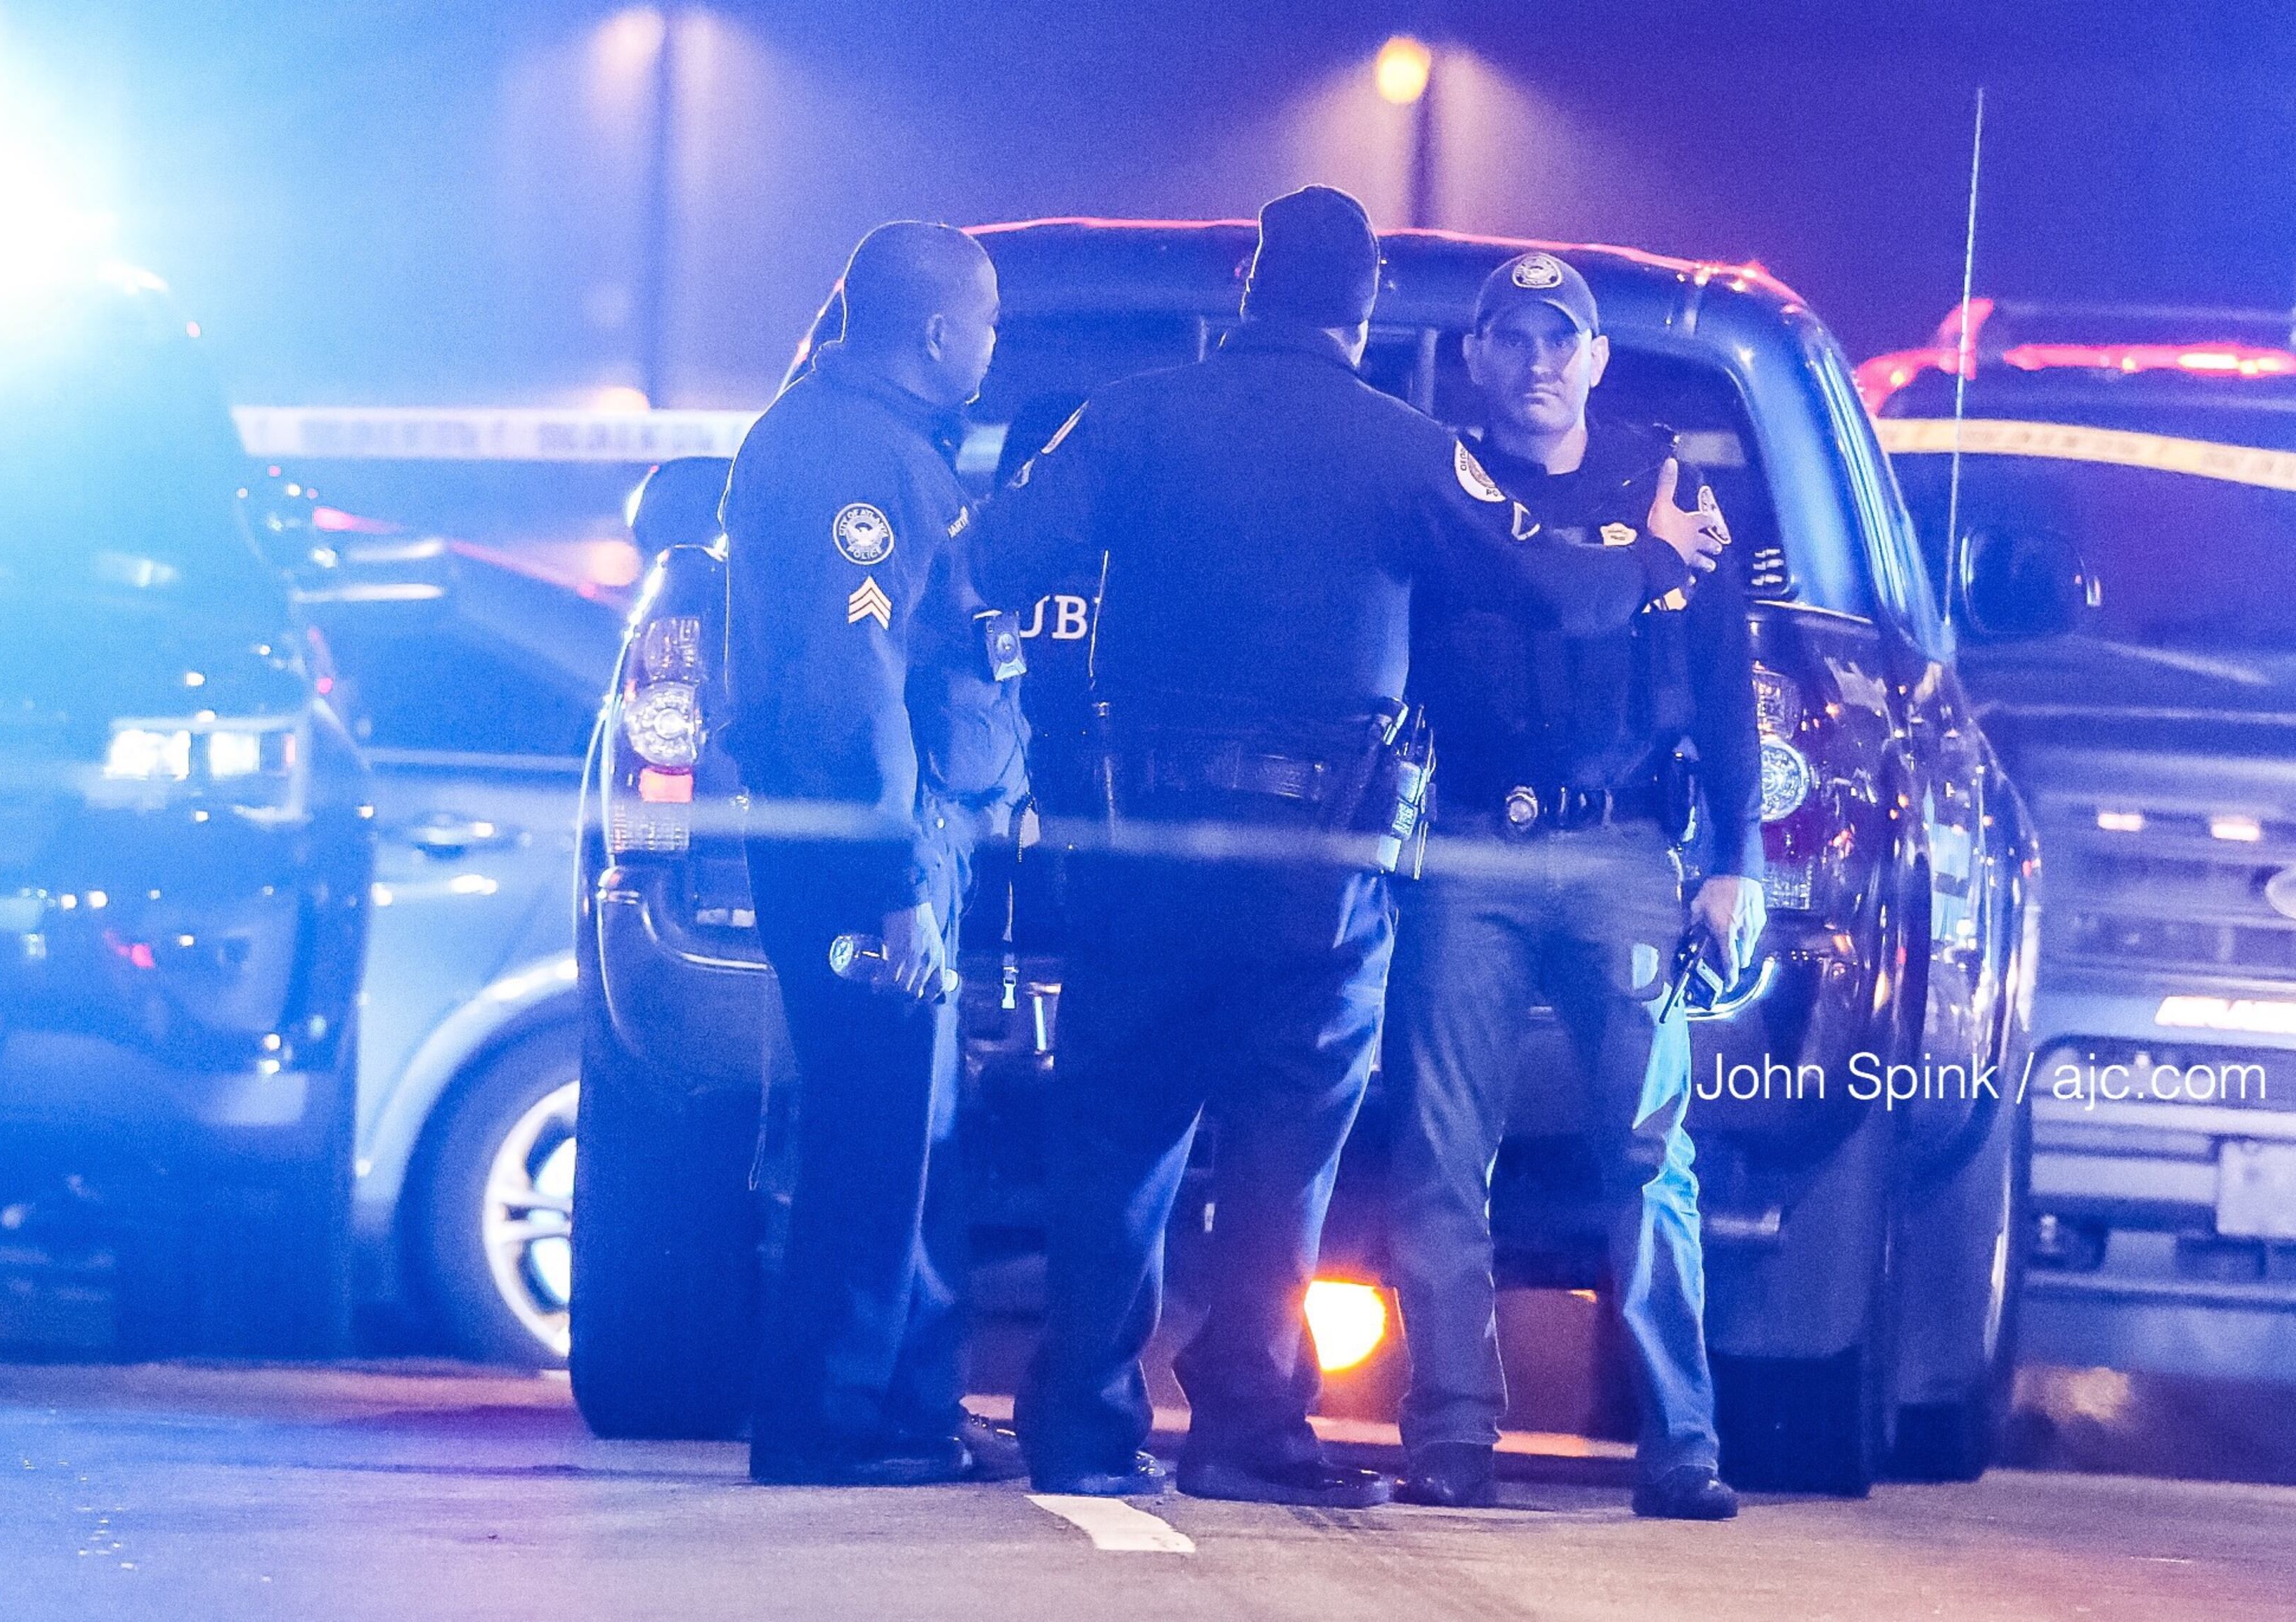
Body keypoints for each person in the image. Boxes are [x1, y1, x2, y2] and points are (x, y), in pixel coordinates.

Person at [965, 187, 1730, 1507]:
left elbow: (1002, 555)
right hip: (1316, 864)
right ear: (1367, 306)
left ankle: (1086, 1414)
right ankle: (1245, 1423)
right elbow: (1538, 573)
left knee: (1119, 1122)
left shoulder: (1133, 417)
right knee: (1281, 1136)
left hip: (1141, 839)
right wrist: (1650, 564)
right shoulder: (1399, 447)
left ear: (1249, 289)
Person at [1382, 252, 1766, 1520]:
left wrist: (1735, 861)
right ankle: (1449, 1435)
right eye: (1513, 338)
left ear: (1597, 358)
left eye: (1562, 339)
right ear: (1476, 355)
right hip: (1470, 851)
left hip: (1625, 855)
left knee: (1651, 1155)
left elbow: (1722, 683)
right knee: (1442, 1152)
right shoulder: (1442, 475)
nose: (1538, 361)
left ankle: (1683, 1443)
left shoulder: (1671, 485)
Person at [719, 222, 1028, 1486]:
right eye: (992, 325)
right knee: (874, 1140)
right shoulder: (867, 463)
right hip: (871, 847)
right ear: (942, 331)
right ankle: (829, 1424)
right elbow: (858, 690)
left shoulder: (827, 433)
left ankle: (909, 1407)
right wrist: (901, 883)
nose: (996, 346)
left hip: (859, 836)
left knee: (914, 1131)